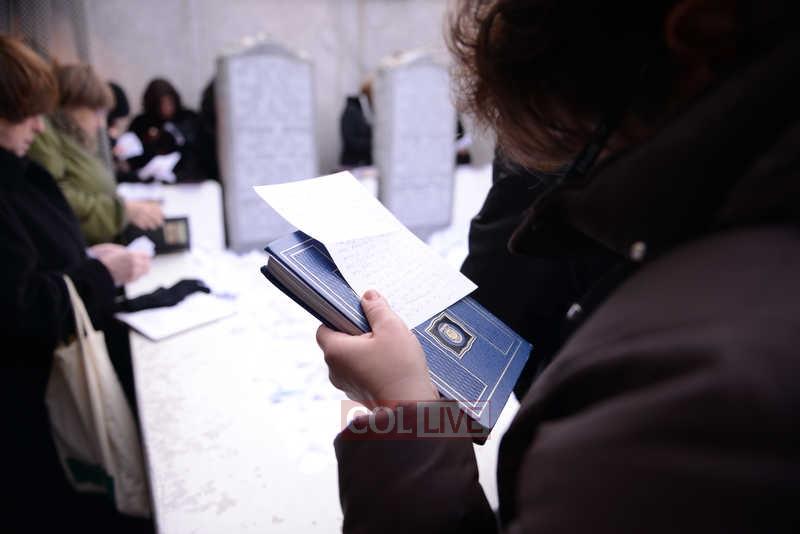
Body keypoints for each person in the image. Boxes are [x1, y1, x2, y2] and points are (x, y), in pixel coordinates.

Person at [317, 0, 800, 532]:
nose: (573, 197)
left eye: (578, 151)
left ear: (698, 43)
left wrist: (405, 411)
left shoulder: (692, 392)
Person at [0, 35, 153, 532]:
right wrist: (99, 273)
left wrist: (86, 259)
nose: (37, 126)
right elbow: (20, 305)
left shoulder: (17, 171)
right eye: (24, 115)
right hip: (35, 404)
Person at [27, 63, 163, 244]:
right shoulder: (46, 135)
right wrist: (122, 212)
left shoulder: (70, 138)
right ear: (73, 105)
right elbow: (58, 196)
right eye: (96, 112)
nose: (100, 124)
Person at [127, 77, 206, 182]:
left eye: (169, 103)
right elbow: (133, 155)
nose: (166, 108)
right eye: (160, 104)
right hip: (150, 180)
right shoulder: (141, 123)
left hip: (186, 178)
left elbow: (196, 151)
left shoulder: (188, 119)